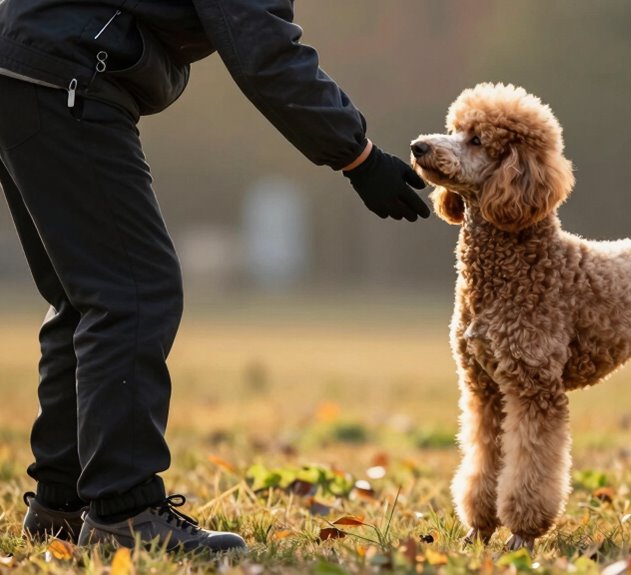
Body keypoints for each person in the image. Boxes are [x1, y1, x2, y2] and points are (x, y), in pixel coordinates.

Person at [0, 0, 431, 552]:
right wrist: (359, 156)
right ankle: (124, 512)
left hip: (29, 63)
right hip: (68, 73)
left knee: (83, 295)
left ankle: (62, 504)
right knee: (133, 292)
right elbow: (263, 50)